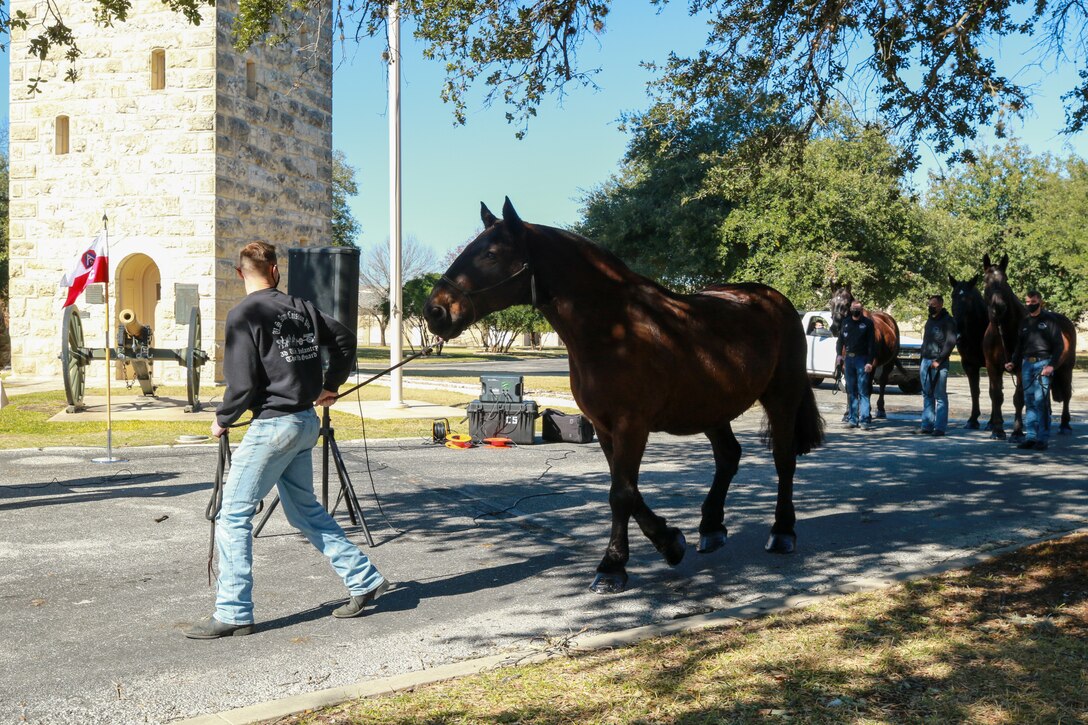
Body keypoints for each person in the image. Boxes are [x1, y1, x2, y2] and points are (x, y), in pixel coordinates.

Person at [186, 241, 388, 639]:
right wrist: (330, 384)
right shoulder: (302, 308)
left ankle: (233, 612)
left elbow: (241, 384)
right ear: (276, 270)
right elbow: (345, 340)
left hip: (274, 427)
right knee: (304, 512)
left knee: (232, 515)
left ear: (241, 273)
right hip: (303, 423)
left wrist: (222, 420)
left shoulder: (244, 313)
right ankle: (364, 579)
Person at [1005, 290, 1065, 451]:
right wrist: (1013, 362)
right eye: (1028, 302)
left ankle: (1042, 438)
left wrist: (1051, 365)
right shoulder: (1024, 322)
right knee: (1029, 402)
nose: (1030, 305)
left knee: (1041, 402)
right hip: (1026, 365)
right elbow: (1019, 346)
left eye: (1033, 302)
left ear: (1040, 301)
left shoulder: (1049, 320)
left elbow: (1059, 345)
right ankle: (1030, 437)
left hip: (1043, 364)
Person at [915, 294, 957, 436]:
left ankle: (939, 428)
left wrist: (939, 360)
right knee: (927, 394)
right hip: (926, 361)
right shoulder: (929, 321)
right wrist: (922, 359)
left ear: (940, 305)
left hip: (939, 363)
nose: (930, 307)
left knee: (940, 396)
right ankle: (926, 425)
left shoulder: (948, 321)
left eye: (933, 305)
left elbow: (950, 343)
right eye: (929, 304)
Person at [836, 300, 876, 429]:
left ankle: (864, 420)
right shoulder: (846, 322)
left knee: (863, 390)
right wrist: (839, 355)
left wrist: (870, 362)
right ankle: (853, 419)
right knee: (851, 390)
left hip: (862, 359)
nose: (855, 310)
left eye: (858, 308)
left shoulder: (868, 323)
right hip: (849, 359)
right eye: (853, 308)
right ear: (851, 309)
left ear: (861, 309)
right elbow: (840, 340)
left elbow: (872, 344)